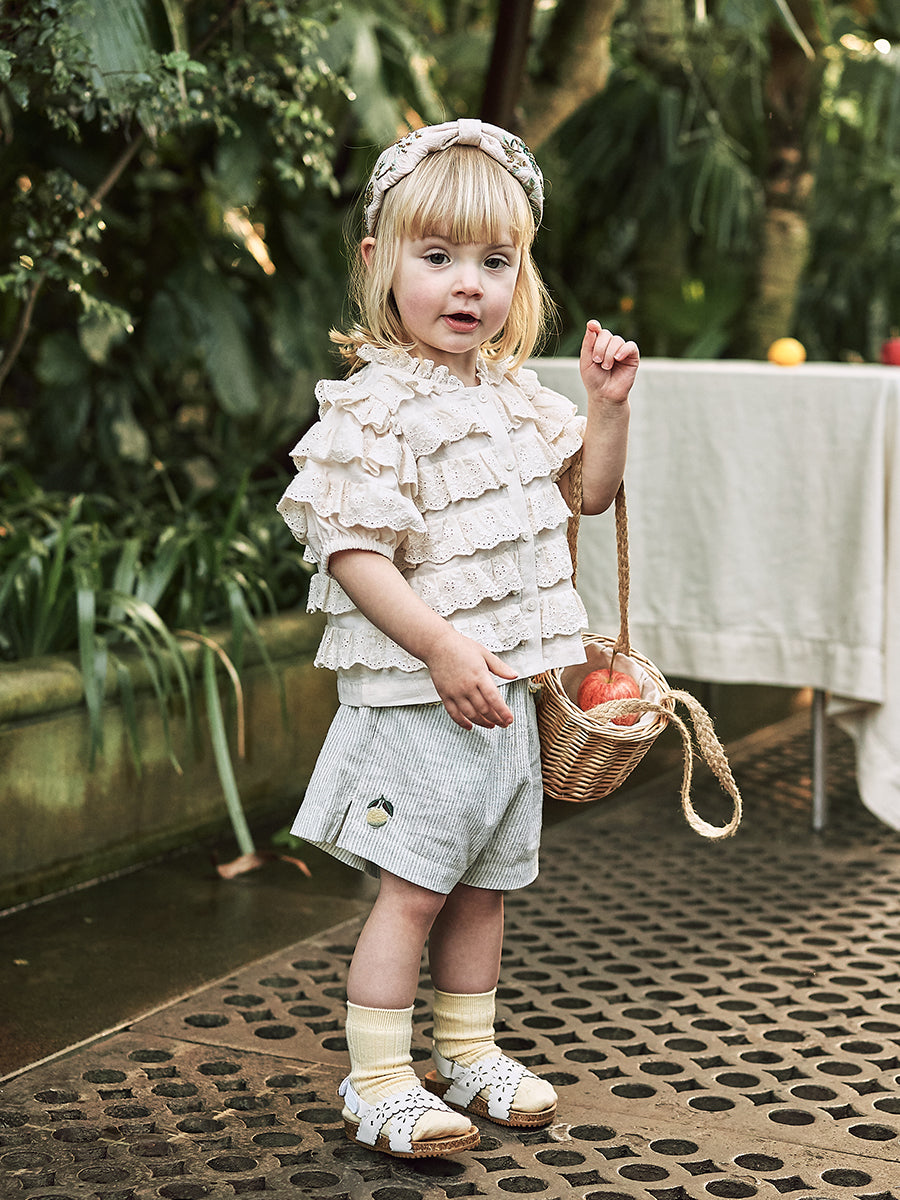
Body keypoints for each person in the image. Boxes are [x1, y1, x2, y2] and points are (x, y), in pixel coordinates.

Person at [277, 119, 639, 1159]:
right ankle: (379, 1080)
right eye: (436, 257)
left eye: (494, 260)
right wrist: (438, 645)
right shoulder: (376, 405)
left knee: (485, 888)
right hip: (417, 698)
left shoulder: (517, 397)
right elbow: (354, 552)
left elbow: (588, 493)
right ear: (380, 262)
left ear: (522, 272)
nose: (467, 285)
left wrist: (607, 409)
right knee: (414, 893)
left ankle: (470, 1052)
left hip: (505, 695)